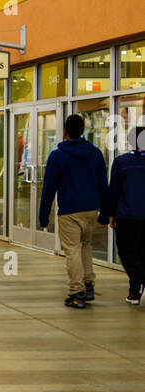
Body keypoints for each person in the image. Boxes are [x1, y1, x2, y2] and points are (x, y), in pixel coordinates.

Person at [38, 113, 109, 308]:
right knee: (85, 245)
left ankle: (77, 292)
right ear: (83, 132)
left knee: (72, 250)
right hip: (91, 209)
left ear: (65, 132)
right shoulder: (95, 154)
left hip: (70, 211)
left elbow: (49, 188)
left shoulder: (58, 156)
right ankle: (89, 284)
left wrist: (43, 216)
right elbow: (104, 184)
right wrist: (104, 212)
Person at [107, 124, 145, 304]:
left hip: (128, 217)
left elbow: (114, 191)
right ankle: (134, 293)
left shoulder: (122, 163)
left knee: (128, 254)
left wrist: (110, 213)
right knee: (141, 254)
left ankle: (139, 285)